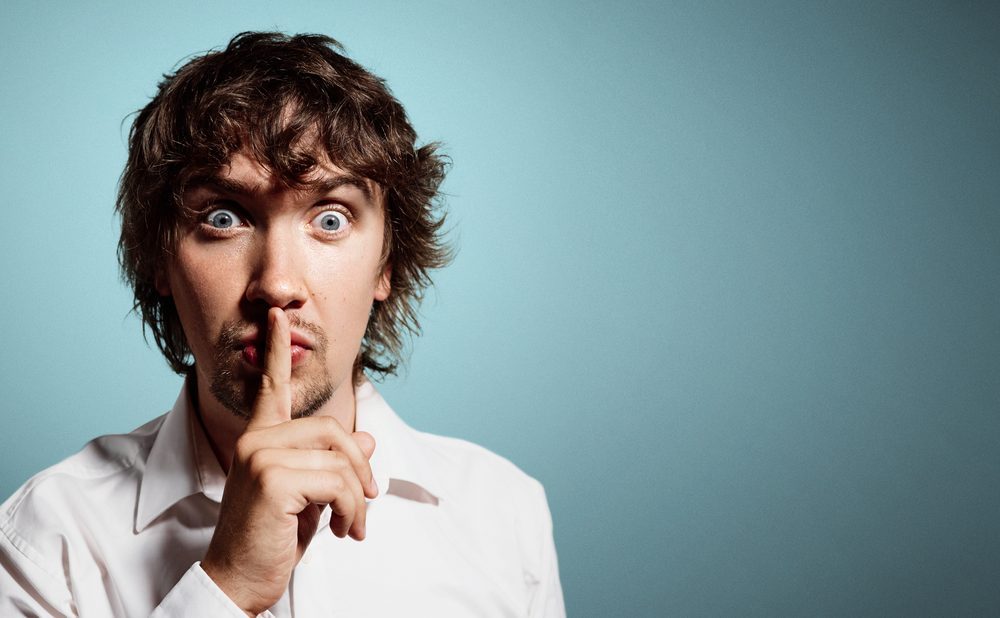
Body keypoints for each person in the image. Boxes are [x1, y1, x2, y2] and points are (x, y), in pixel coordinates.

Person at [0, 32, 564, 617]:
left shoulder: (503, 513)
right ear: (160, 259)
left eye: (330, 219)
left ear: (386, 266)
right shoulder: (46, 538)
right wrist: (228, 585)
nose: (277, 284)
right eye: (224, 218)